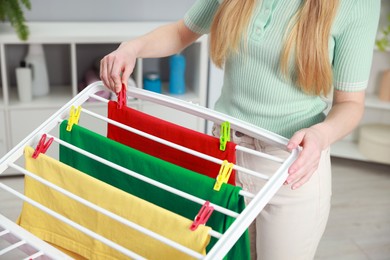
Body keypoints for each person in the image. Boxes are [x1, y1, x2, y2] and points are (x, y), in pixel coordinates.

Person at [100, 0, 380, 259]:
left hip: (290, 169)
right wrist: (131, 47)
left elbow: (351, 103)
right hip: (223, 157)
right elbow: (181, 32)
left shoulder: (356, 4)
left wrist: (321, 135)